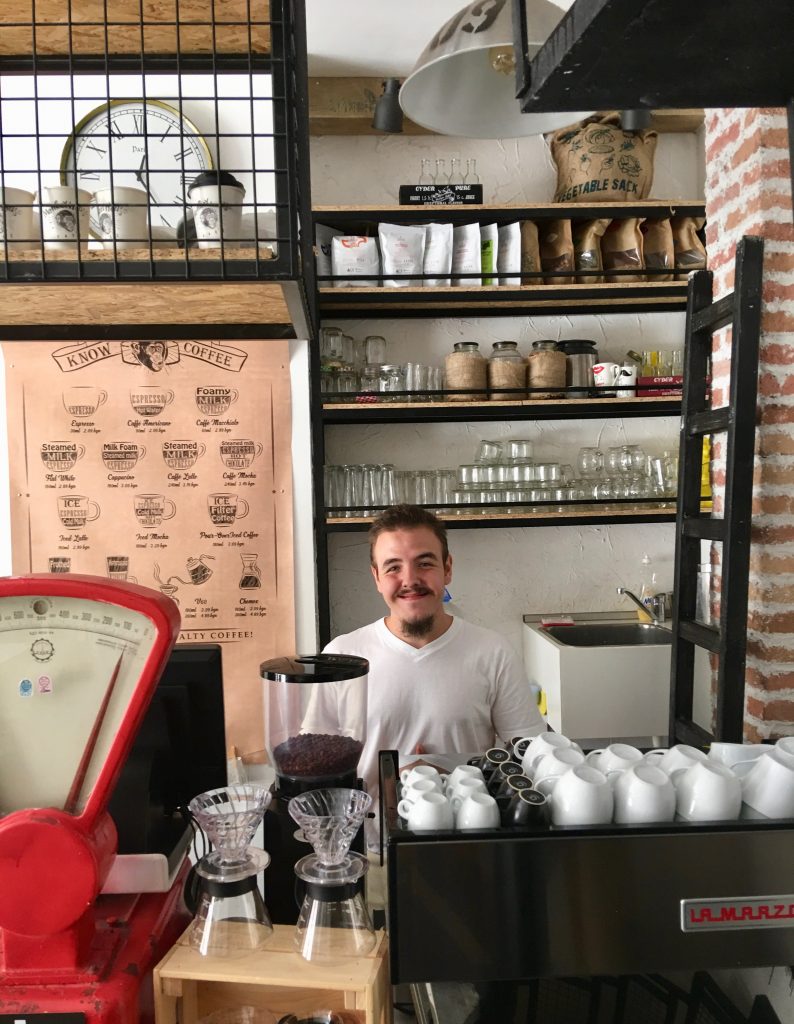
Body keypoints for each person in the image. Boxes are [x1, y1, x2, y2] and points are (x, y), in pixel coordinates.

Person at [322, 503, 545, 818]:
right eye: (393, 567)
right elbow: (319, 771)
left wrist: (448, 774)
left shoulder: (492, 652)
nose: (410, 580)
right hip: (368, 848)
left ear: (448, 568)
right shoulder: (340, 659)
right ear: (376, 577)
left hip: (467, 840)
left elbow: (532, 758)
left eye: (424, 563)